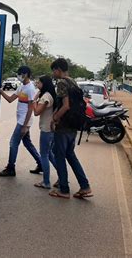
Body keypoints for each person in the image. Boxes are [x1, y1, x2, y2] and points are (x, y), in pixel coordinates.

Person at [48, 58, 93, 199]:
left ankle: (64, 189)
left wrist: (54, 118)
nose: (53, 73)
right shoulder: (73, 82)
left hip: (64, 126)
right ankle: (85, 186)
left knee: (59, 156)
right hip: (74, 125)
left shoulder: (61, 83)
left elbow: (66, 105)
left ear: (58, 70)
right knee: (70, 155)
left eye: (53, 70)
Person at [0, 66, 42, 177]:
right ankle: (41, 164)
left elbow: (30, 108)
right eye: (19, 74)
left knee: (13, 143)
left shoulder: (30, 89)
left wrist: (25, 126)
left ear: (26, 74)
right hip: (22, 119)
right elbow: (10, 100)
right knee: (27, 143)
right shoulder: (21, 87)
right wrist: (0, 90)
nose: (19, 76)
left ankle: (11, 168)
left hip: (24, 120)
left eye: (21, 74)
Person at [32, 75, 57, 189]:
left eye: (39, 83)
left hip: (46, 129)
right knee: (50, 155)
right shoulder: (52, 94)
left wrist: (34, 100)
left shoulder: (46, 96)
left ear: (44, 83)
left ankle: (46, 182)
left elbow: (36, 112)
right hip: (51, 129)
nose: (37, 85)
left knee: (44, 155)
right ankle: (62, 176)